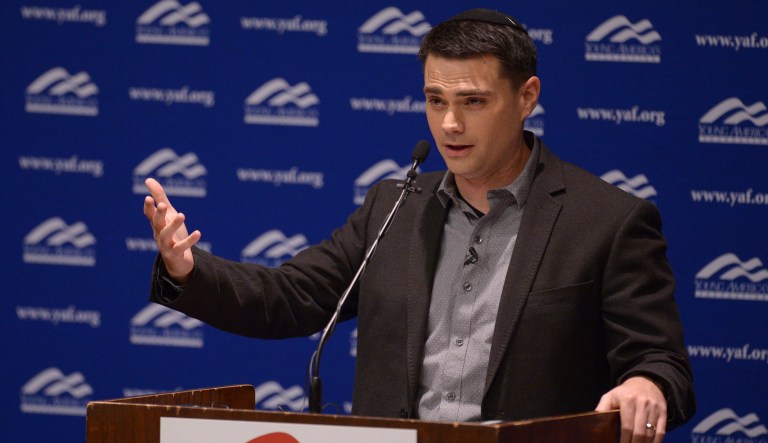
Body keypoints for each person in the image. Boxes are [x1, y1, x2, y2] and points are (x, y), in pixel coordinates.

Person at [143, 8, 695, 443]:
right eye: (435, 100)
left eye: (473, 102)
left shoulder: (607, 220)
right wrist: (187, 270)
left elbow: (662, 362)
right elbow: (289, 296)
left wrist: (645, 384)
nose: (449, 124)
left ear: (527, 97)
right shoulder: (395, 206)